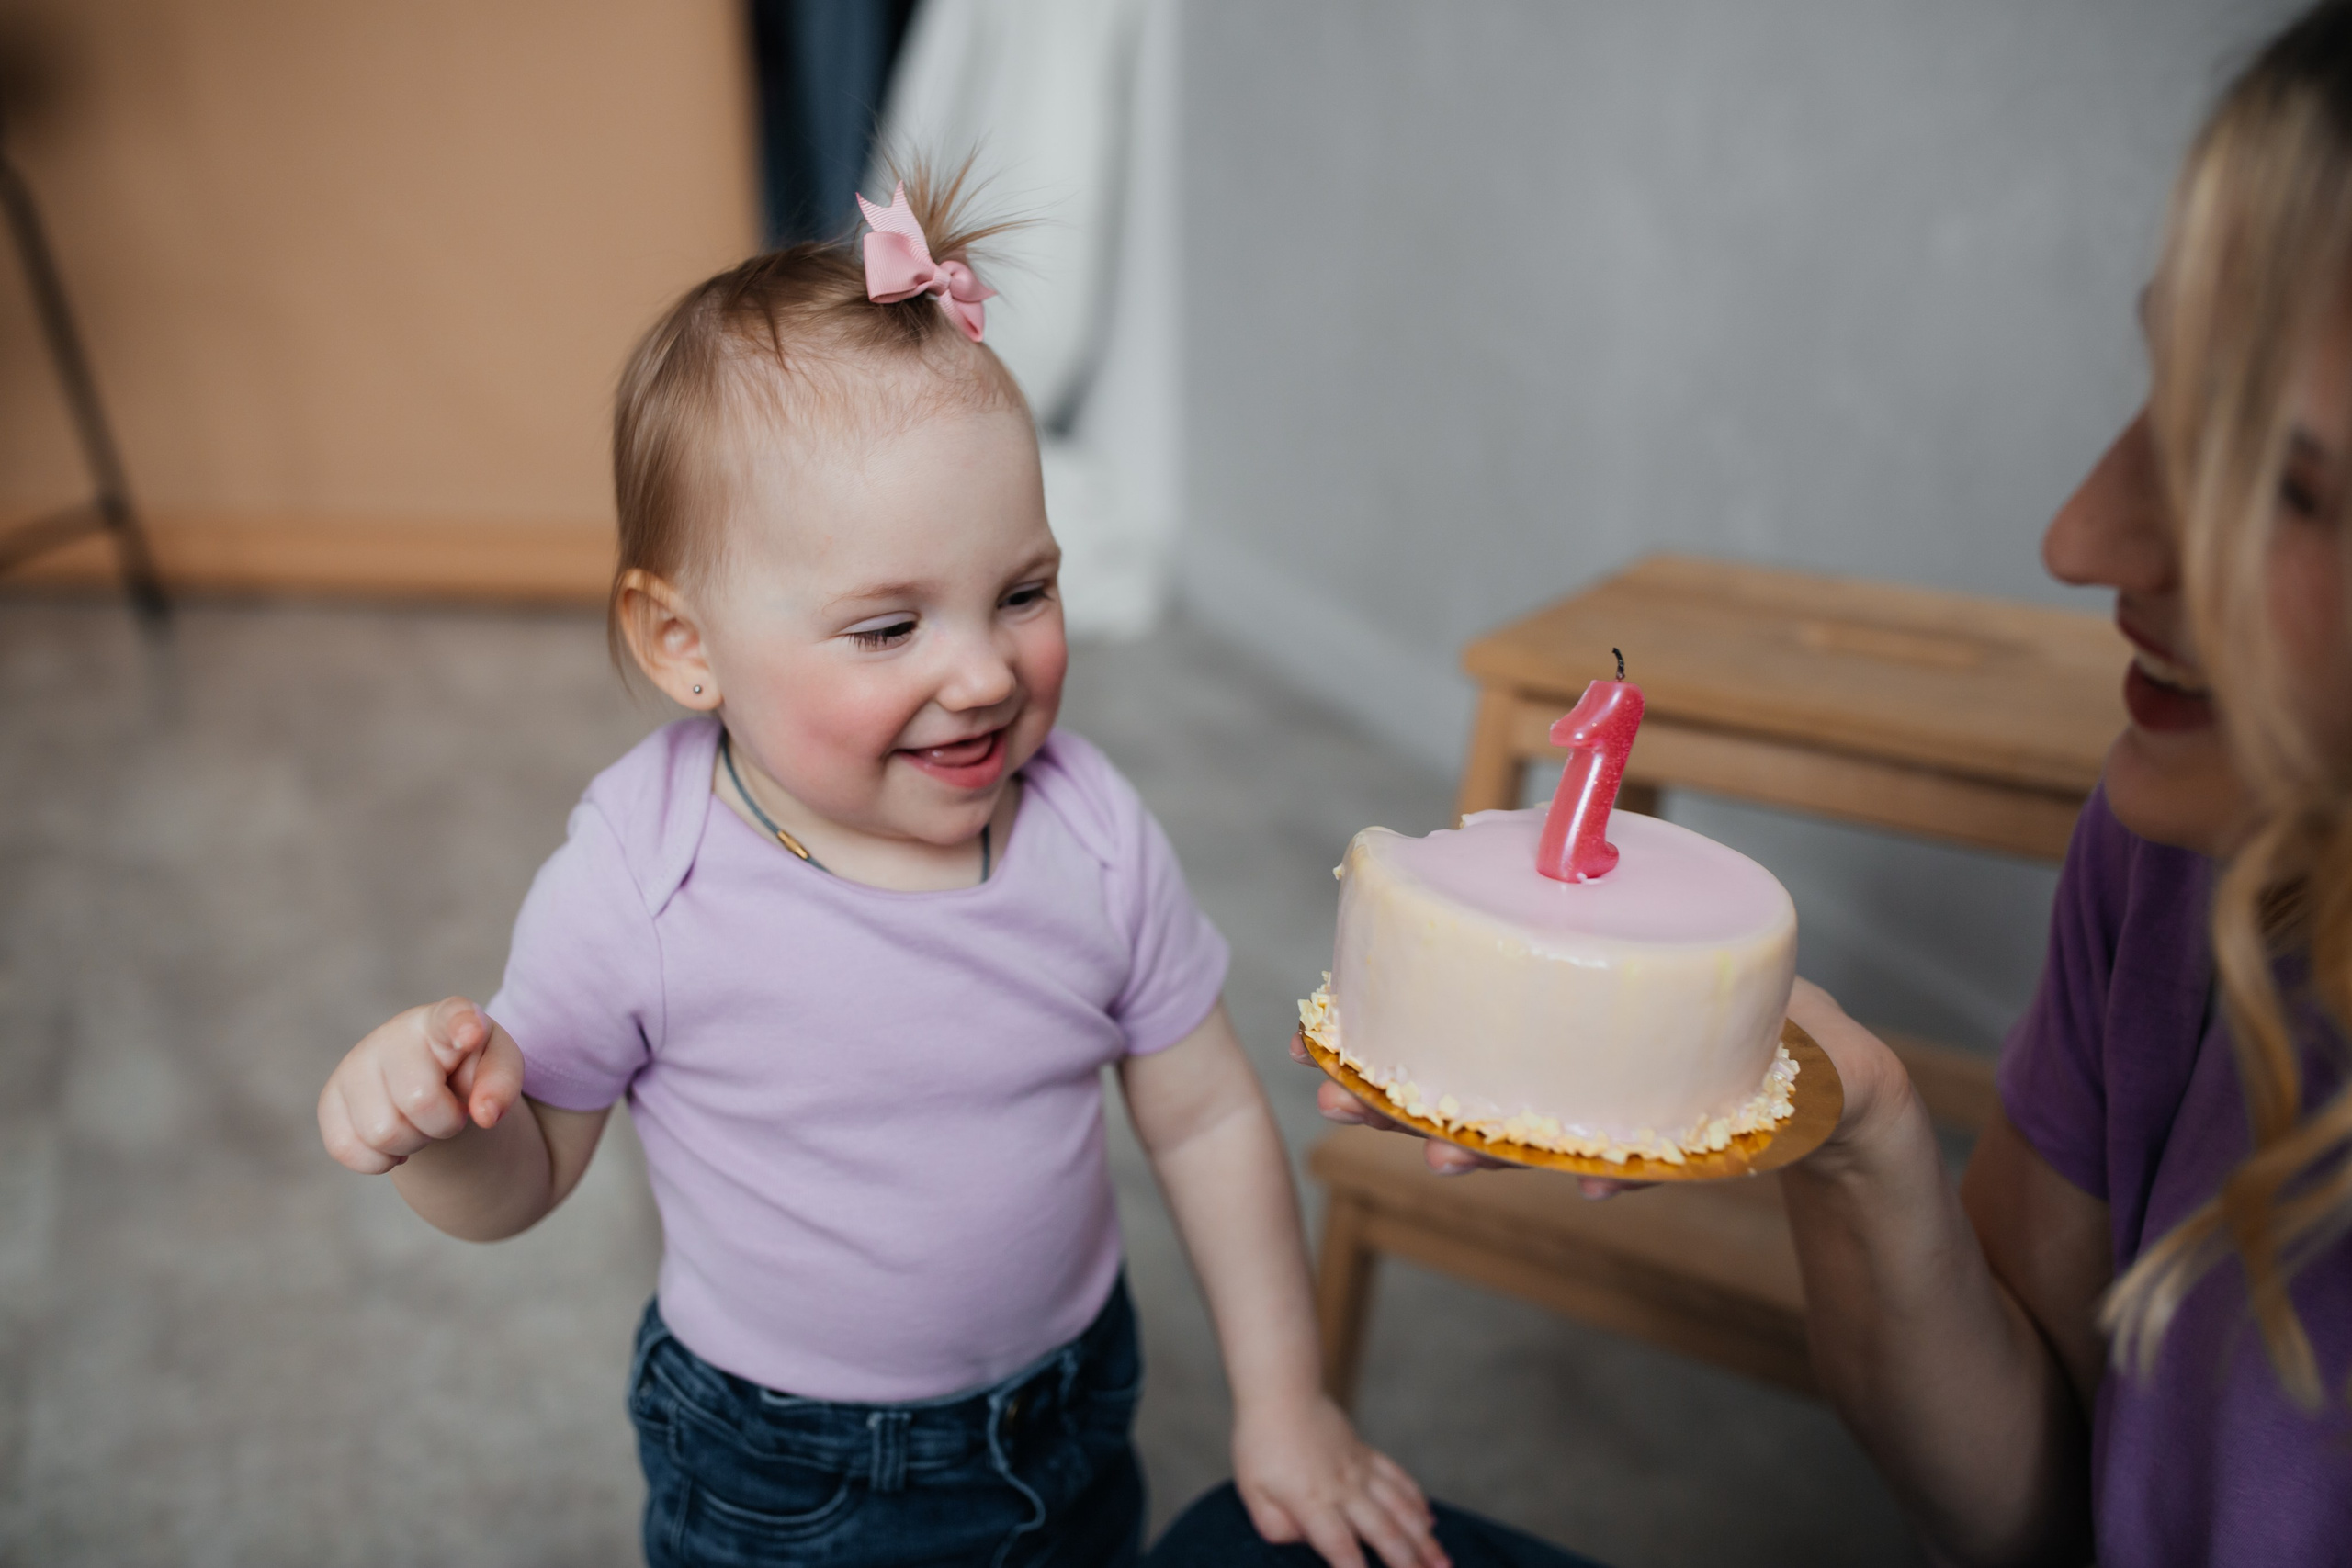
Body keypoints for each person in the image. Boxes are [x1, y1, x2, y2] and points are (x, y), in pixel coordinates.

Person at [1312, 6, 2352, 1563]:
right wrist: (1858, 1132)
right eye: (2168, 396)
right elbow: (2041, 1510)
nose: (2079, 538)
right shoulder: (2177, 846)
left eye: (2282, 482)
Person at [314, 167, 1446, 1568]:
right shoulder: (641, 885)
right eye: (887, 626)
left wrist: (1285, 1405)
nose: (982, 672)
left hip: (1077, 1403)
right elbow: (527, 1172)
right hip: (787, 1467)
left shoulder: (1087, 831)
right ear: (687, 646)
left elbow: (1207, 1118)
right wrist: (441, 1137)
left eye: (1023, 593)